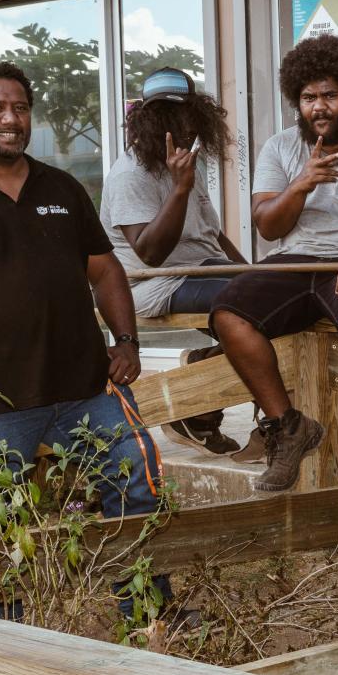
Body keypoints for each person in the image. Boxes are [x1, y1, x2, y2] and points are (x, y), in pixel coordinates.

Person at [0, 60, 168, 610]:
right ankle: (2, 638)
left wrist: (127, 341)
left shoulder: (61, 188)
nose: (9, 119)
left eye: (19, 108)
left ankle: (145, 610)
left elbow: (106, 269)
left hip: (86, 388)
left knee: (137, 479)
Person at [209, 34, 338, 519]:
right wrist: (300, 184)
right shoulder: (282, 148)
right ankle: (288, 427)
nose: (319, 107)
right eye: (308, 98)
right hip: (296, 261)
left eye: (329, 95)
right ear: (296, 100)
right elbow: (267, 226)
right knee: (229, 312)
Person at [99, 67, 254, 461]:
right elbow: (150, 252)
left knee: (272, 295)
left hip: (201, 268)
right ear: (147, 121)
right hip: (152, 282)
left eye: (186, 116)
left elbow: (213, 235)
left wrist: (254, 273)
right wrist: (181, 188)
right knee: (251, 304)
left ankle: (201, 403)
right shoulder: (129, 173)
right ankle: (203, 408)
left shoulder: (189, 163)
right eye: (166, 117)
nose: (179, 127)